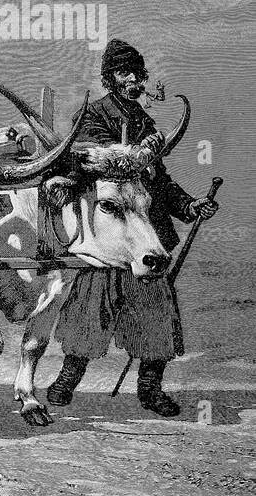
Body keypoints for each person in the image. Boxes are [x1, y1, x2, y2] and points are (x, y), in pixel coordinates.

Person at [46, 39, 218, 416]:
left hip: (147, 235)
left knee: (156, 315)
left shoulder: (145, 121)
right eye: (124, 74)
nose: (133, 80)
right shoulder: (92, 114)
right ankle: (66, 380)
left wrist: (189, 205)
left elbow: (159, 181)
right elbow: (95, 158)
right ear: (111, 78)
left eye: (137, 74)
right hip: (108, 231)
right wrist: (137, 153)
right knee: (90, 312)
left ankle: (150, 390)